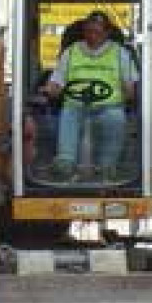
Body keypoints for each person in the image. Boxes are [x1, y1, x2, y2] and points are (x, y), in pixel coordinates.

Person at [45, 11, 137, 183]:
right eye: (89, 31)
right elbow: (56, 83)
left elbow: (129, 89)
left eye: (97, 32)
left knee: (116, 118)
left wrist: (128, 91)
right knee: (64, 116)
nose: (92, 36)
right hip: (75, 107)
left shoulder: (121, 54)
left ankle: (107, 168)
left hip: (110, 108)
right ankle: (66, 163)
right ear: (84, 32)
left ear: (107, 33)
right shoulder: (70, 53)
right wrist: (50, 90)